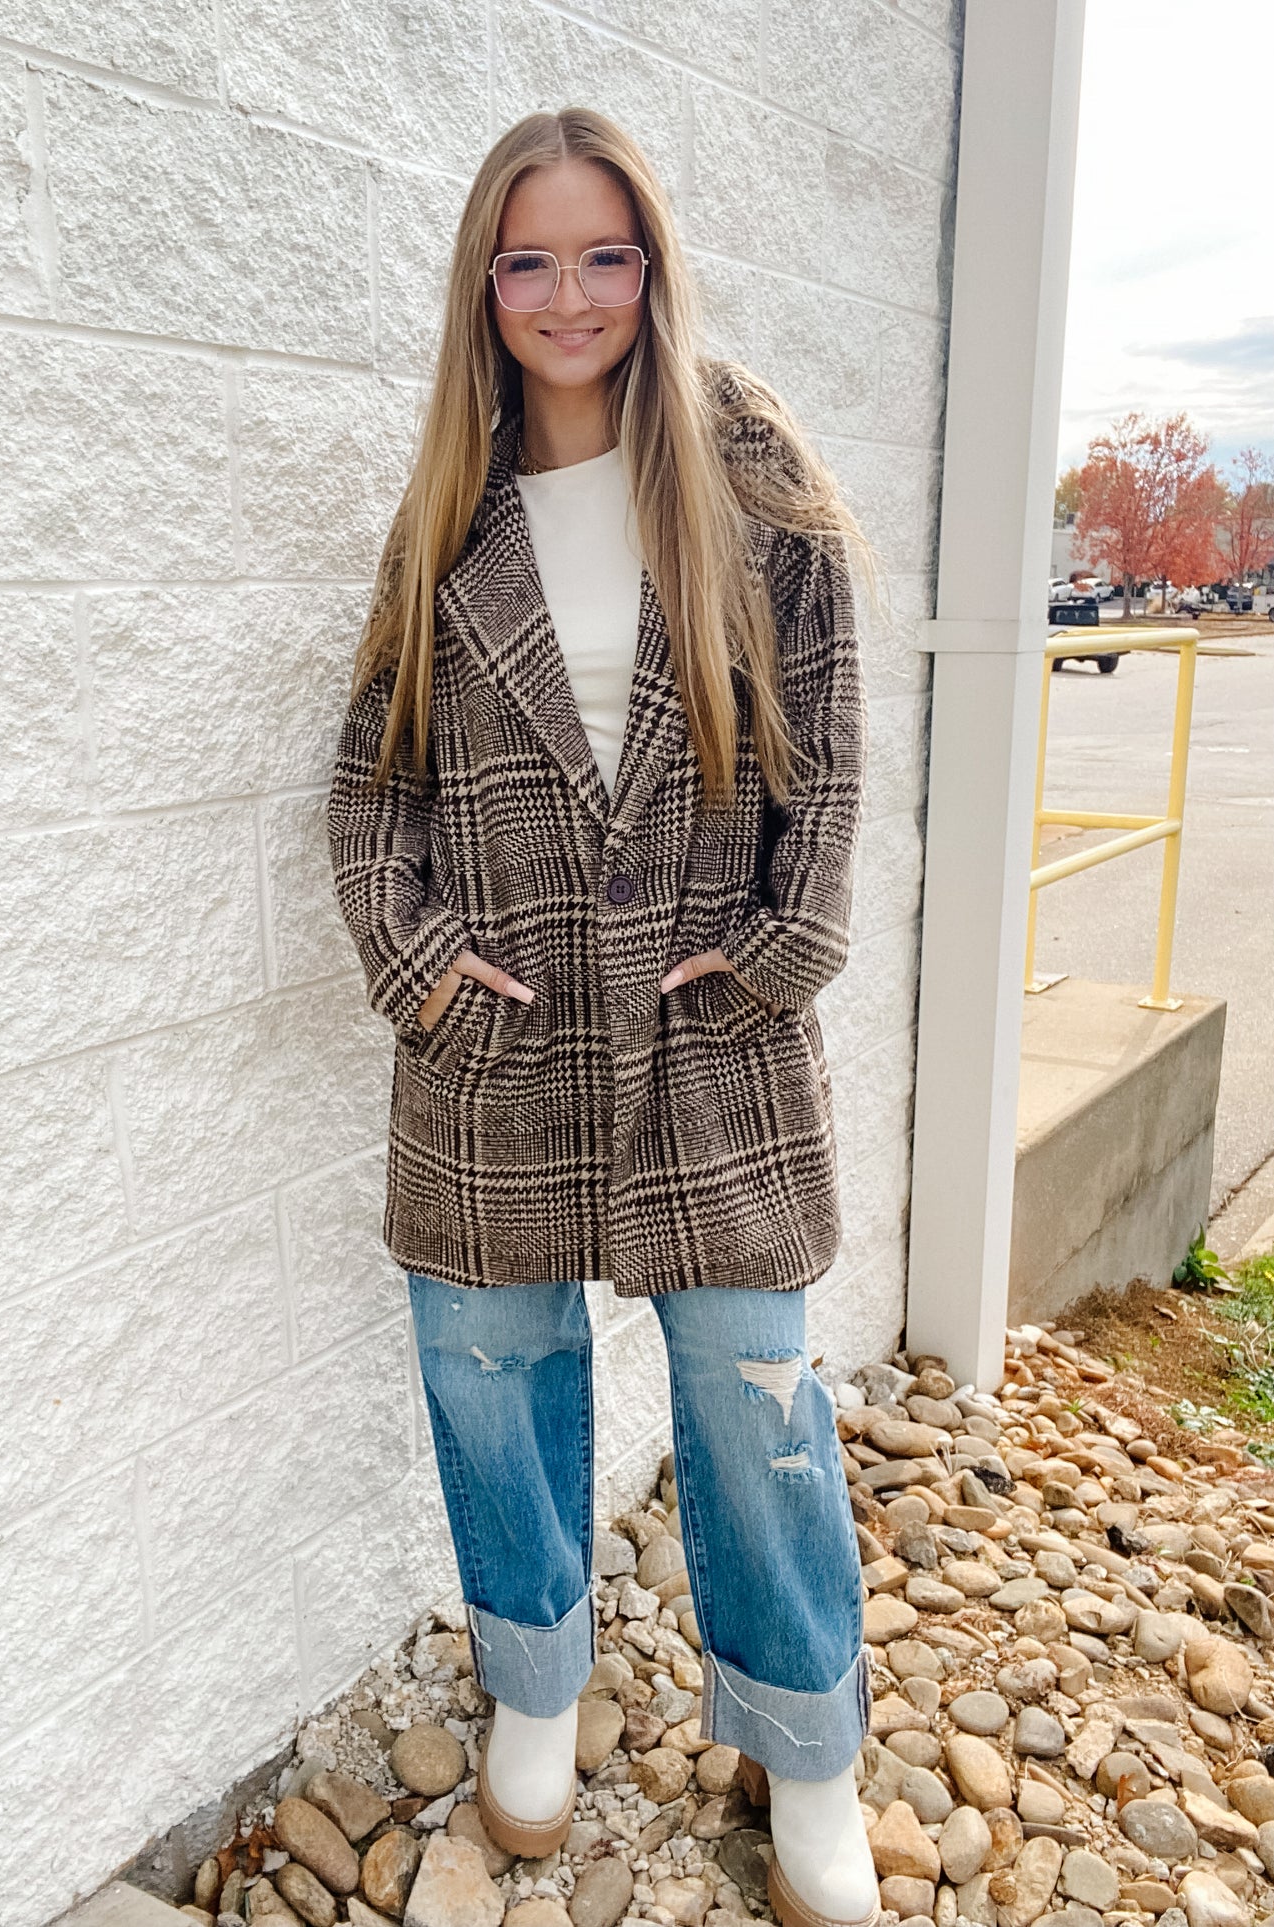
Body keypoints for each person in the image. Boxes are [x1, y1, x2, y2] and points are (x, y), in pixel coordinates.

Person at [327, 105, 881, 1927]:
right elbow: (368, 790)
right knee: (492, 1382)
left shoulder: (750, 477)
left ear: (651, 266)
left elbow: (832, 757)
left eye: (603, 254)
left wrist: (789, 948)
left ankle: (805, 1747)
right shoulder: (446, 508)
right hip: (493, 1048)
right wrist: (412, 966)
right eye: (528, 260)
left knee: (758, 1397)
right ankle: (537, 1691)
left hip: (712, 1042)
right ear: (486, 286)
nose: (569, 295)